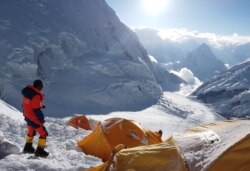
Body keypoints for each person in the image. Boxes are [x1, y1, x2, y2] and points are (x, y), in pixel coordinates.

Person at [21, 79, 49, 157]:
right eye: (41, 87)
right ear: (38, 86)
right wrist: (41, 119)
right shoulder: (36, 96)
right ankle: (40, 151)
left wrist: (40, 105)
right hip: (34, 118)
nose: (42, 88)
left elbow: (27, 104)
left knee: (31, 132)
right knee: (44, 133)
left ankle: (28, 147)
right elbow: (36, 110)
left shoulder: (27, 93)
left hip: (27, 116)